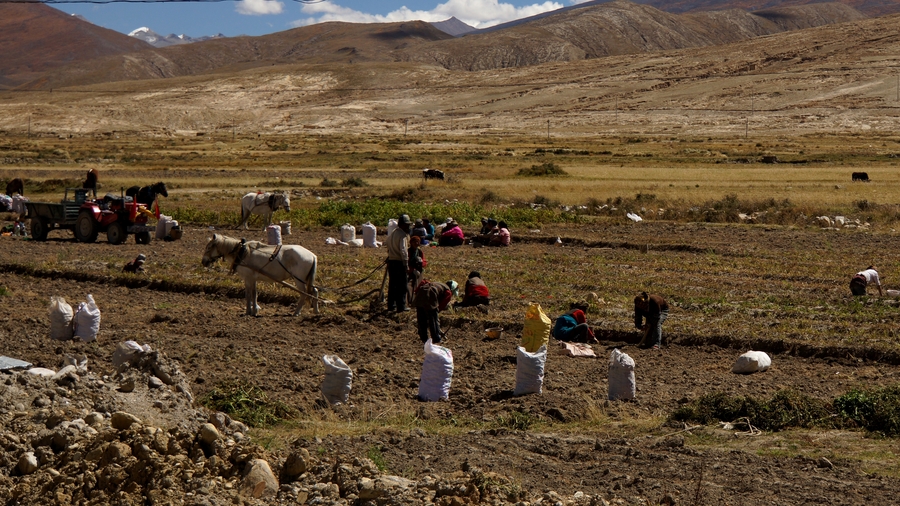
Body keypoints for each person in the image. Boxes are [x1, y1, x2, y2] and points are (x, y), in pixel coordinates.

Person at [412, 279, 457, 343]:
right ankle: (436, 338)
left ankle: (424, 338)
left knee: (421, 318)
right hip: (431, 293)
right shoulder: (448, 291)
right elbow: (442, 305)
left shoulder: (439, 284)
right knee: (433, 319)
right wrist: (435, 312)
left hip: (421, 294)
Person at [386, 214, 412, 312]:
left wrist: (390, 255)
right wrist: (406, 264)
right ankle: (401, 306)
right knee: (402, 285)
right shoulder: (403, 235)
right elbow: (403, 250)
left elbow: (387, 244)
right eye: (406, 225)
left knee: (392, 285)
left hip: (391, 261)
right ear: (402, 225)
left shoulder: (393, 233)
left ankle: (391, 305)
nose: (408, 227)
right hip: (399, 262)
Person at [407, 236, 427, 305]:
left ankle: (418, 300)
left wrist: (421, 264)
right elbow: (407, 262)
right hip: (410, 271)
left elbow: (424, 261)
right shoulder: (408, 251)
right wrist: (412, 270)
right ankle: (411, 301)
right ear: (411, 243)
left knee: (419, 285)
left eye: (418, 241)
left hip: (419, 271)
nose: (416, 243)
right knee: (409, 285)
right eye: (414, 242)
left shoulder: (419, 251)